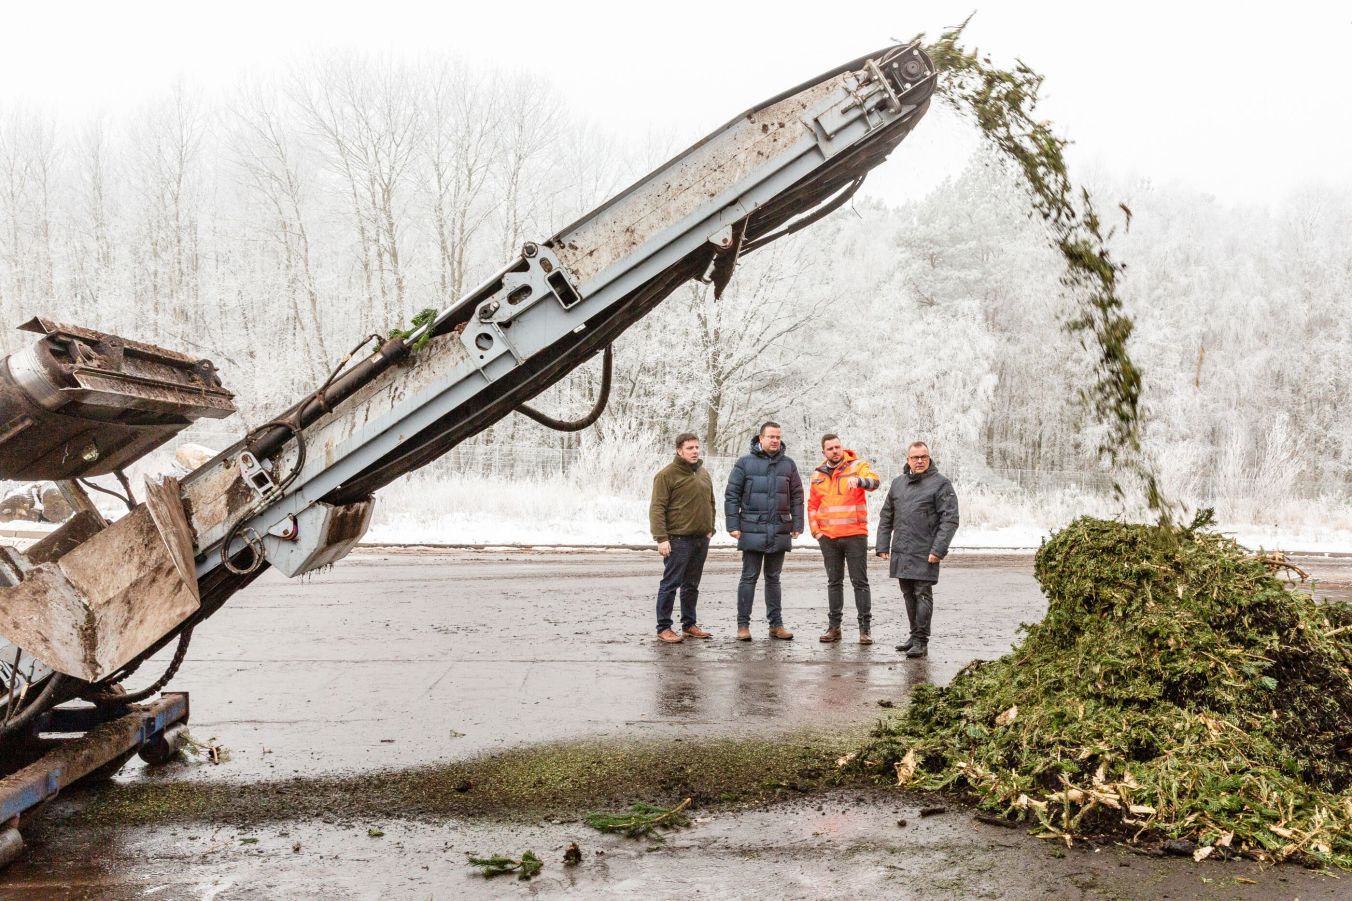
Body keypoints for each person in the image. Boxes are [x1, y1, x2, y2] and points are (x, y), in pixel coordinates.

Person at [875, 441, 959, 658]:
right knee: (908, 594)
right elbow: (887, 516)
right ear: (908, 459)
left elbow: (950, 520)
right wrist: (883, 545)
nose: (920, 460)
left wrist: (938, 549)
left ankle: (922, 640)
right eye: (915, 457)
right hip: (902, 549)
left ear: (929, 458)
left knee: (922, 594)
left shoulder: (941, 484)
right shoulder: (898, 483)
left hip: (926, 551)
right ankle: (913, 636)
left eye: (924, 456)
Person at [725, 422, 803, 641]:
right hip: (751, 527)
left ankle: (776, 625)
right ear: (760, 438)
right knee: (748, 577)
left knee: (773, 578)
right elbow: (732, 494)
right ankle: (743, 626)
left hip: (779, 527)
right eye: (770, 436)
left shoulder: (789, 465)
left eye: (778, 436)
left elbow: (797, 496)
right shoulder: (744, 463)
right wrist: (733, 525)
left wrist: (797, 524)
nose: (775, 440)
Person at [808, 433, 882, 645]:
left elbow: (875, 482)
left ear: (842, 448)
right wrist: (816, 531)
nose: (835, 451)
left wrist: (859, 481)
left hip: (854, 535)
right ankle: (834, 628)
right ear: (824, 452)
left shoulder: (857, 466)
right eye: (830, 448)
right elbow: (812, 505)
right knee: (834, 582)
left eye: (837, 447)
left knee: (859, 582)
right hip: (829, 538)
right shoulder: (818, 474)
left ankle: (864, 629)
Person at [649, 432, 717, 643]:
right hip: (678, 539)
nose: (695, 451)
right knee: (670, 583)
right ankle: (664, 627)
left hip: (700, 538)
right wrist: (661, 538)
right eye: (690, 448)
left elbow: (711, 502)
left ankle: (689, 624)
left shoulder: (703, 473)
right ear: (679, 450)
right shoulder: (666, 475)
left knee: (692, 585)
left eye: (697, 447)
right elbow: (657, 508)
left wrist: (710, 529)